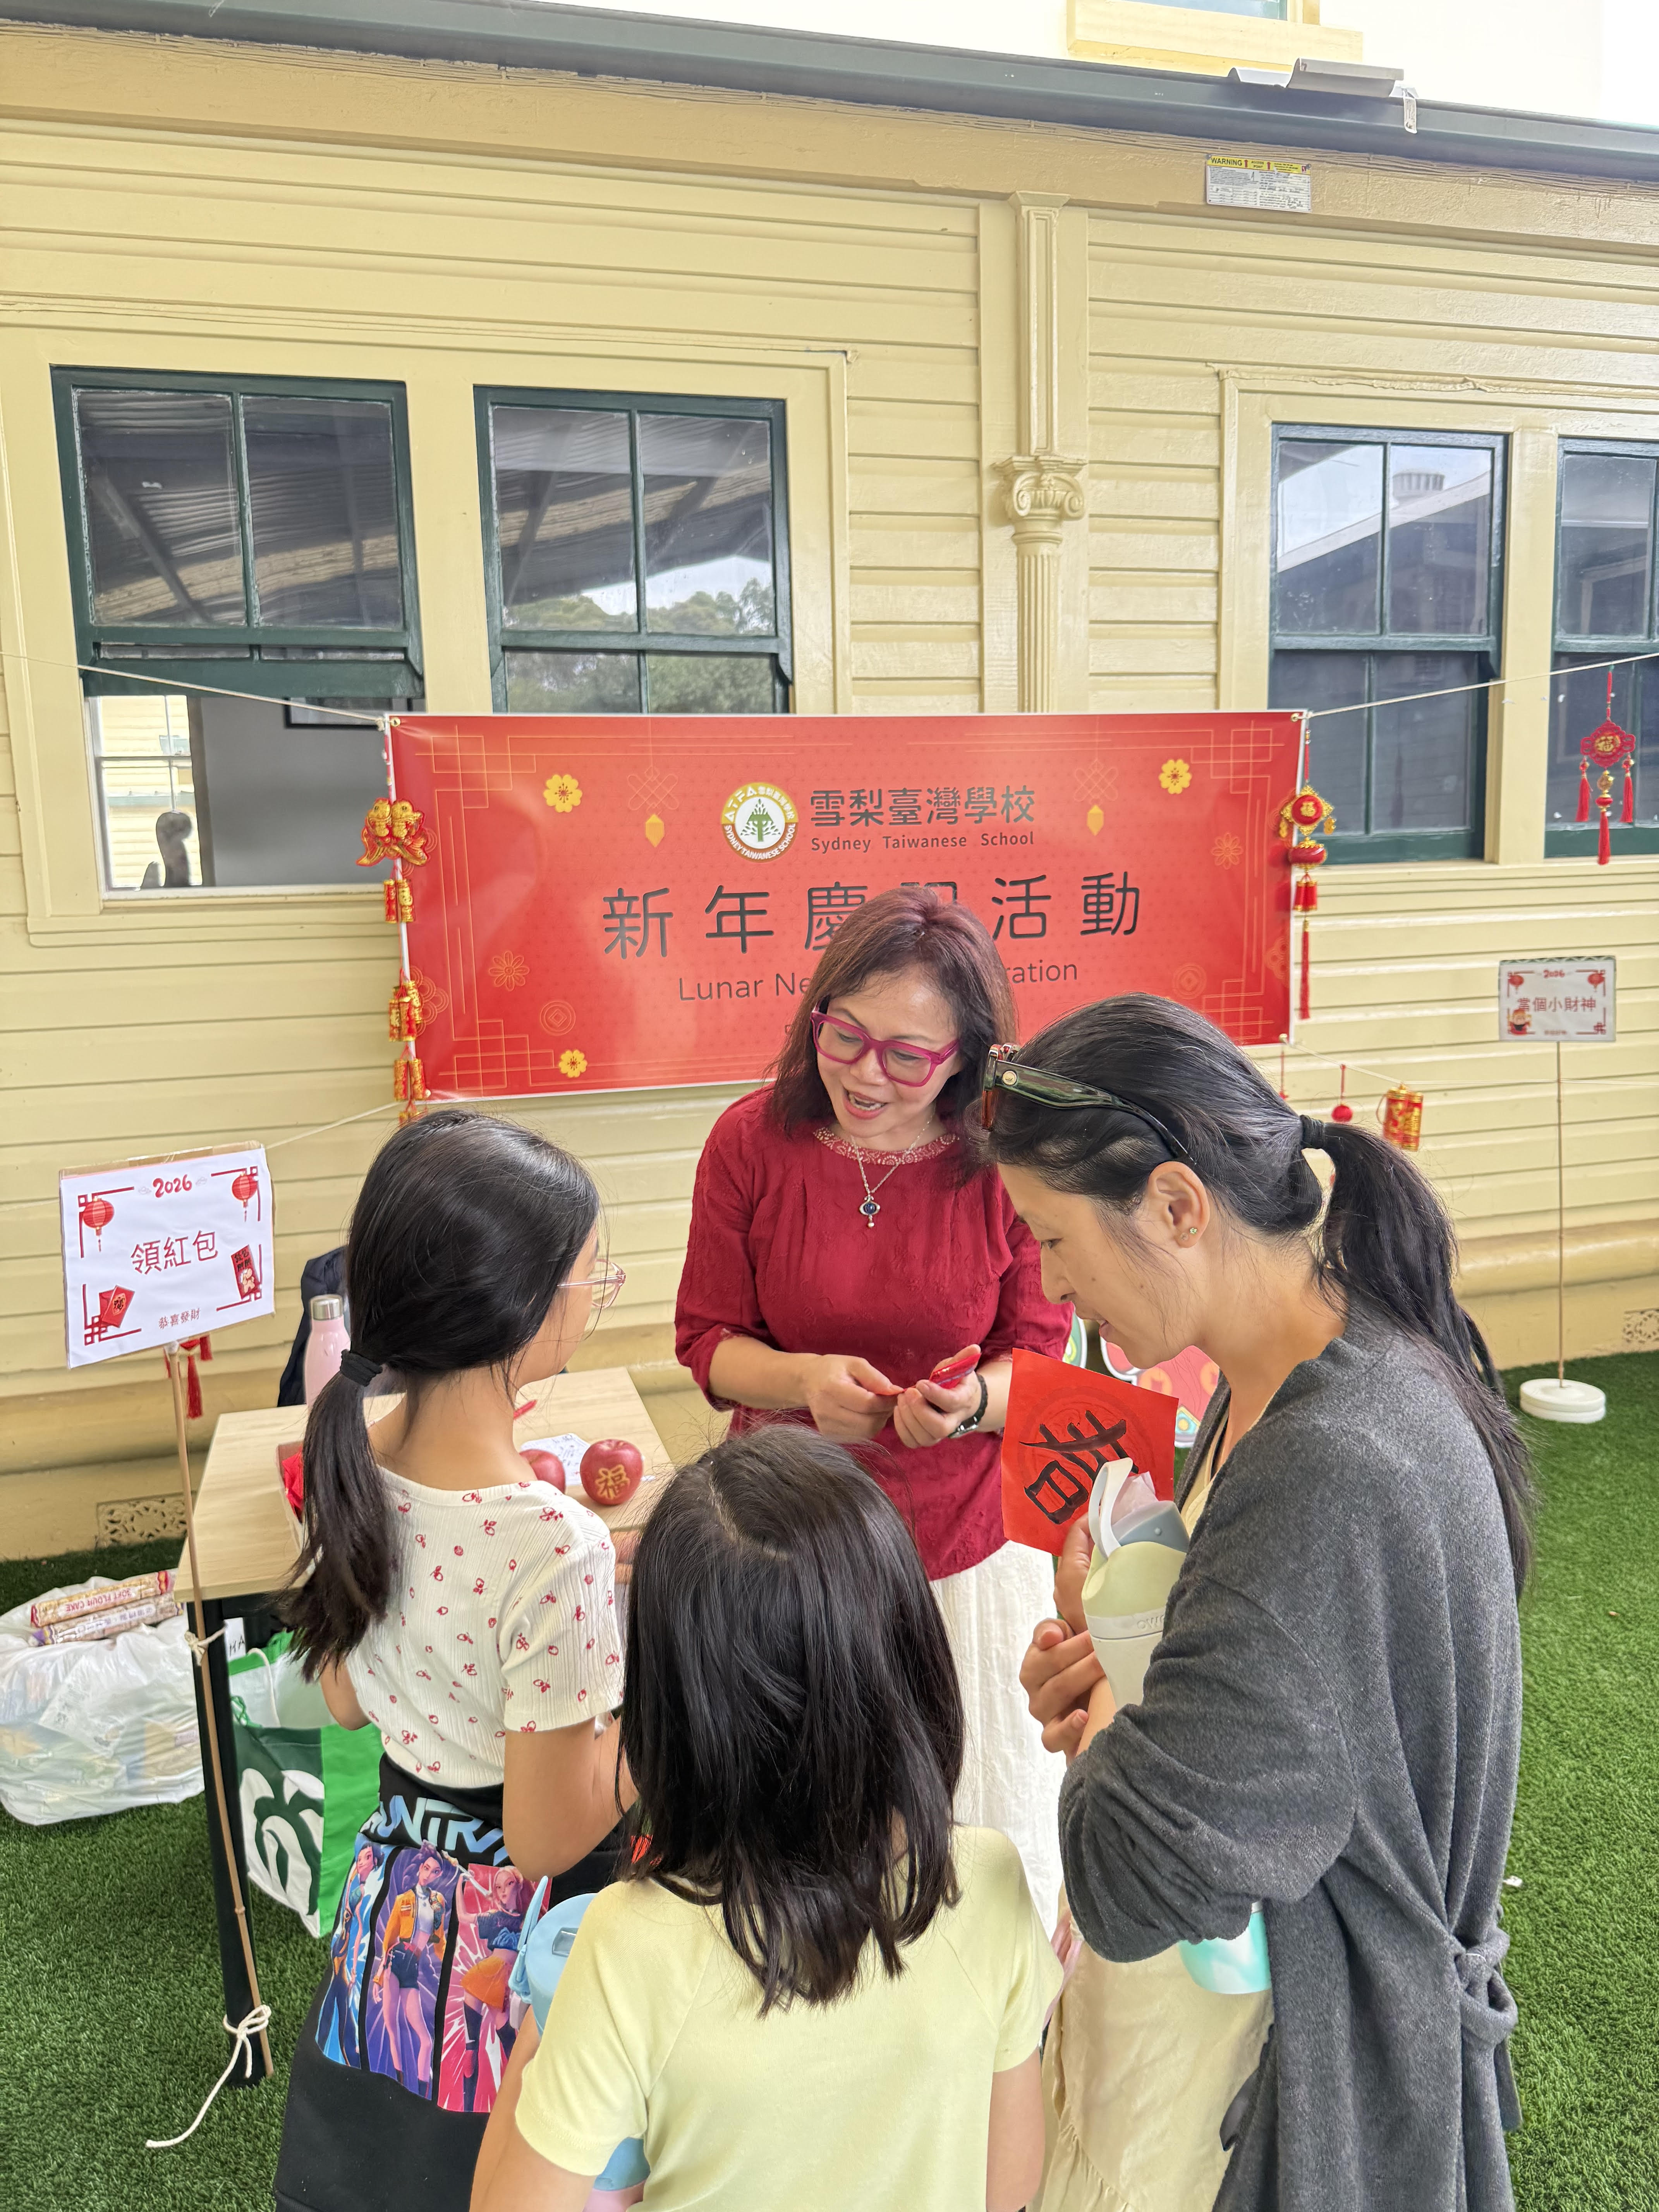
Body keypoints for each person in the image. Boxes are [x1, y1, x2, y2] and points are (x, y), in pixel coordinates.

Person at [984, 997, 1531, 2212]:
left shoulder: (1323, 1468)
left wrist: (1112, 1738)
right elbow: (1292, 1714)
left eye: (1055, 1240)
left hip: (1284, 2067)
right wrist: (1130, 1672)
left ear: (1177, 1206)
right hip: (1273, 2002)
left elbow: (1132, 1882)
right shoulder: (1303, 1373)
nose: (1053, 1283)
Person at [470, 1427, 1063, 2212]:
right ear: (910, 1660)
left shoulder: (623, 1945)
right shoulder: (985, 1879)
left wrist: (544, 2041)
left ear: (668, 1712)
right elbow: (1010, 2184)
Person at [674, 887, 1071, 1916]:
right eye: (843, 1036)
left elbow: (1038, 1353)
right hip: (785, 1541)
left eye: (907, 1056)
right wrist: (803, 1382)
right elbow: (707, 1341)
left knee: (976, 1842)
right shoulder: (748, 1143)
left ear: (968, 1060)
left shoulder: (1002, 1163)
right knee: (804, 1842)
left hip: (963, 1541)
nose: (863, 1074)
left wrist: (974, 1401)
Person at [273, 1109, 634, 2212]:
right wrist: (653, 1730)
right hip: (513, 1930)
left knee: (389, 2157)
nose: (597, 1288)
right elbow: (544, 1832)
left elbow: (342, 1698)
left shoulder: (351, 1459)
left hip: (396, 1894)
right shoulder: (550, 1543)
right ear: (520, 1308)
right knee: (526, 2159)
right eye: (589, 1273)